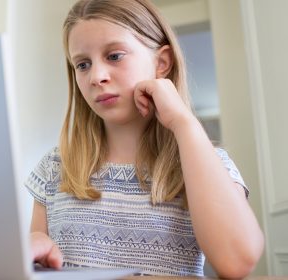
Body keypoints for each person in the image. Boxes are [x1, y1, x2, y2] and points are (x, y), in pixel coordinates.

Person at [24, 0, 264, 277]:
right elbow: (38, 263)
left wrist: (184, 123)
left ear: (161, 63)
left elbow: (237, 262)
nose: (96, 77)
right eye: (83, 64)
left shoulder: (207, 163)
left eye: (114, 56)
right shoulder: (54, 167)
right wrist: (32, 248)